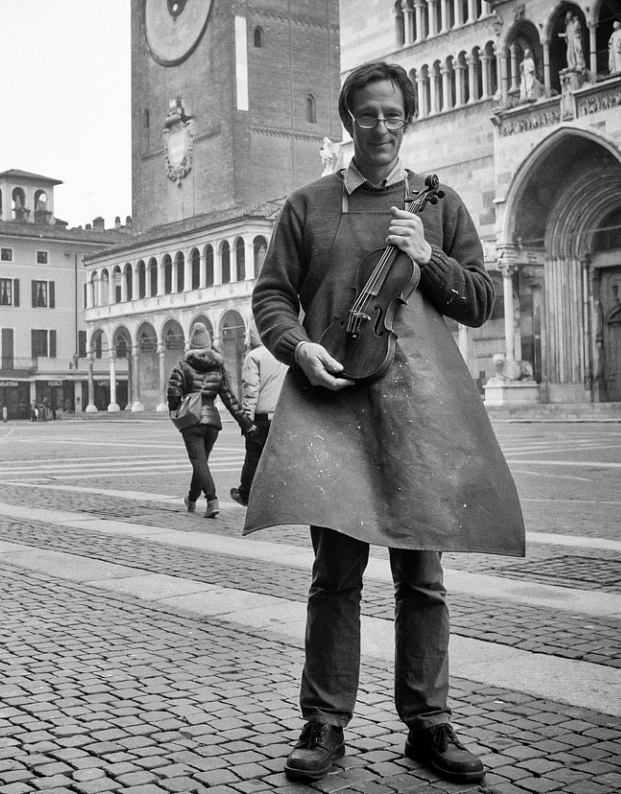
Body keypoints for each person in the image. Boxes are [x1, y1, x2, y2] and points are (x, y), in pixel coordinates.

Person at [245, 61, 525, 785]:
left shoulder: (441, 205)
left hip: (420, 411)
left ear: (409, 119)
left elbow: (479, 301)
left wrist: (428, 257)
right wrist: (297, 347)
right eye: (367, 114)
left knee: (422, 577)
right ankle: (325, 722)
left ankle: (428, 724)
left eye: (393, 115)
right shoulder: (307, 206)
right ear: (349, 121)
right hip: (334, 403)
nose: (380, 127)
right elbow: (272, 297)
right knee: (334, 575)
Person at [167, 322, 255, 518]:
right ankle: (191, 499)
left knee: (199, 463)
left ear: (192, 345)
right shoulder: (217, 369)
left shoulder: (182, 367)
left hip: (191, 420)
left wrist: (175, 410)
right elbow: (230, 399)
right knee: (202, 463)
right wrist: (246, 424)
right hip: (212, 423)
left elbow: (173, 395)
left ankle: (212, 500)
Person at [231, 321, 287, 507]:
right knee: (276, 458)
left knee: (253, 457)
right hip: (280, 416)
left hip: (260, 418)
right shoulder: (282, 355)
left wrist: (247, 420)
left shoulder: (254, 356)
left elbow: (250, 391)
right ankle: (276, 496)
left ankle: (245, 494)